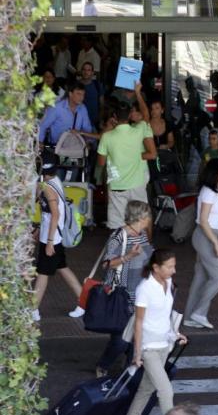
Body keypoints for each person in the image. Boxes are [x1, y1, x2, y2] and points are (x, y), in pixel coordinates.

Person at [121, 249, 188, 415]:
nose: (173, 270)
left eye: (174, 266)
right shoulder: (145, 288)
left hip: (164, 346)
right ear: (156, 267)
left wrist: (175, 334)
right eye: (169, 267)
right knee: (165, 390)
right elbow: (139, 322)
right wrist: (137, 353)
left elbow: (165, 316)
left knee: (146, 389)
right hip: (149, 348)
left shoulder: (168, 283)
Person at [95, 201, 153, 378]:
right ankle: (103, 365)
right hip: (121, 293)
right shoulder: (119, 236)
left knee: (136, 334)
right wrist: (129, 256)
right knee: (120, 338)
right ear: (141, 217)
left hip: (139, 293)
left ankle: (129, 368)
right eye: (148, 215)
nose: (150, 219)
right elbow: (107, 264)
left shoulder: (142, 234)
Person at [31, 155, 85, 322]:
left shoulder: (48, 188)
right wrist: (40, 228)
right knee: (63, 268)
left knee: (42, 273)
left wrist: (49, 242)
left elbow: (55, 214)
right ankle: (84, 303)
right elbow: (48, 214)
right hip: (53, 236)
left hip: (52, 239)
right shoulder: (55, 181)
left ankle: (33, 310)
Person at [183, 158, 218, 329]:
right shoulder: (209, 193)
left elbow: (208, 215)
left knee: (201, 278)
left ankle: (189, 317)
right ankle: (200, 312)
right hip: (206, 237)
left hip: (205, 235)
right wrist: (216, 243)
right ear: (217, 174)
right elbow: (203, 220)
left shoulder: (211, 191)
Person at [97, 99, 156, 230]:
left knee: (118, 225)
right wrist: (138, 93)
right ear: (129, 115)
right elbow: (146, 116)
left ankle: (122, 242)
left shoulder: (107, 137)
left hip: (117, 185)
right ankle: (143, 242)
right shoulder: (139, 130)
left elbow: (101, 162)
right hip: (137, 184)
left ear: (114, 116)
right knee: (141, 219)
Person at [39, 81, 93, 147]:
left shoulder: (83, 108)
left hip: (75, 146)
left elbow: (87, 128)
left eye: (83, 95)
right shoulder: (57, 108)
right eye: (78, 94)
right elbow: (43, 125)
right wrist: (40, 142)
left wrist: (88, 142)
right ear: (70, 94)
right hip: (56, 146)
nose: (81, 97)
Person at [78, 61, 104, 128]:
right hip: (77, 121)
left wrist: (100, 120)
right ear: (81, 71)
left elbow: (102, 105)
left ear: (92, 72)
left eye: (89, 70)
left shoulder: (97, 85)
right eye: (84, 69)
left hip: (93, 122)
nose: (86, 72)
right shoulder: (75, 85)